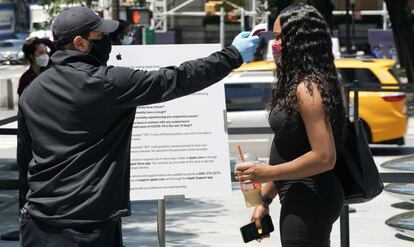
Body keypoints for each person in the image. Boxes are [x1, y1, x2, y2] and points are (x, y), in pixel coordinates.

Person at [17, 6, 259, 247]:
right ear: (80, 43)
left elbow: (25, 161)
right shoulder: (105, 83)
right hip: (87, 227)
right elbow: (177, 79)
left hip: (37, 225)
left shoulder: (31, 92)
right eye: (100, 36)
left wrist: (23, 214)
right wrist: (233, 55)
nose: (108, 41)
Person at [235, 4, 345, 247]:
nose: (275, 44)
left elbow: (325, 157)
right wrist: (265, 200)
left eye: (279, 37)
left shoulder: (308, 89)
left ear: (299, 41)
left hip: (309, 199)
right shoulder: (302, 85)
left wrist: (267, 172)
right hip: (299, 195)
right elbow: (290, 153)